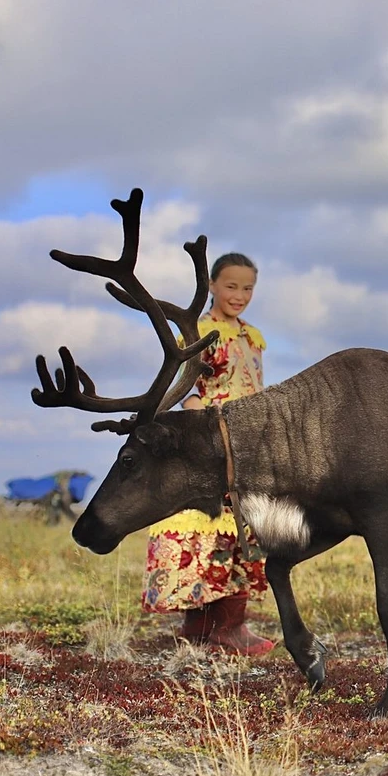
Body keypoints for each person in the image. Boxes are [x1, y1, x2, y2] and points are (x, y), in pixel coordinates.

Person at [142, 252, 273, 656]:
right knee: (209, 528)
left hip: (248, 445)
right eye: (231, 286)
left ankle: (224, 625)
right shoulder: (201, 332)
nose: (240, 295)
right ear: (212, 285)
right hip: (211, 441)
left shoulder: (252, 337)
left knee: (243, 528)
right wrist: (209, 428)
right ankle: (207, 626)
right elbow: (188, 391)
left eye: (247, 287)